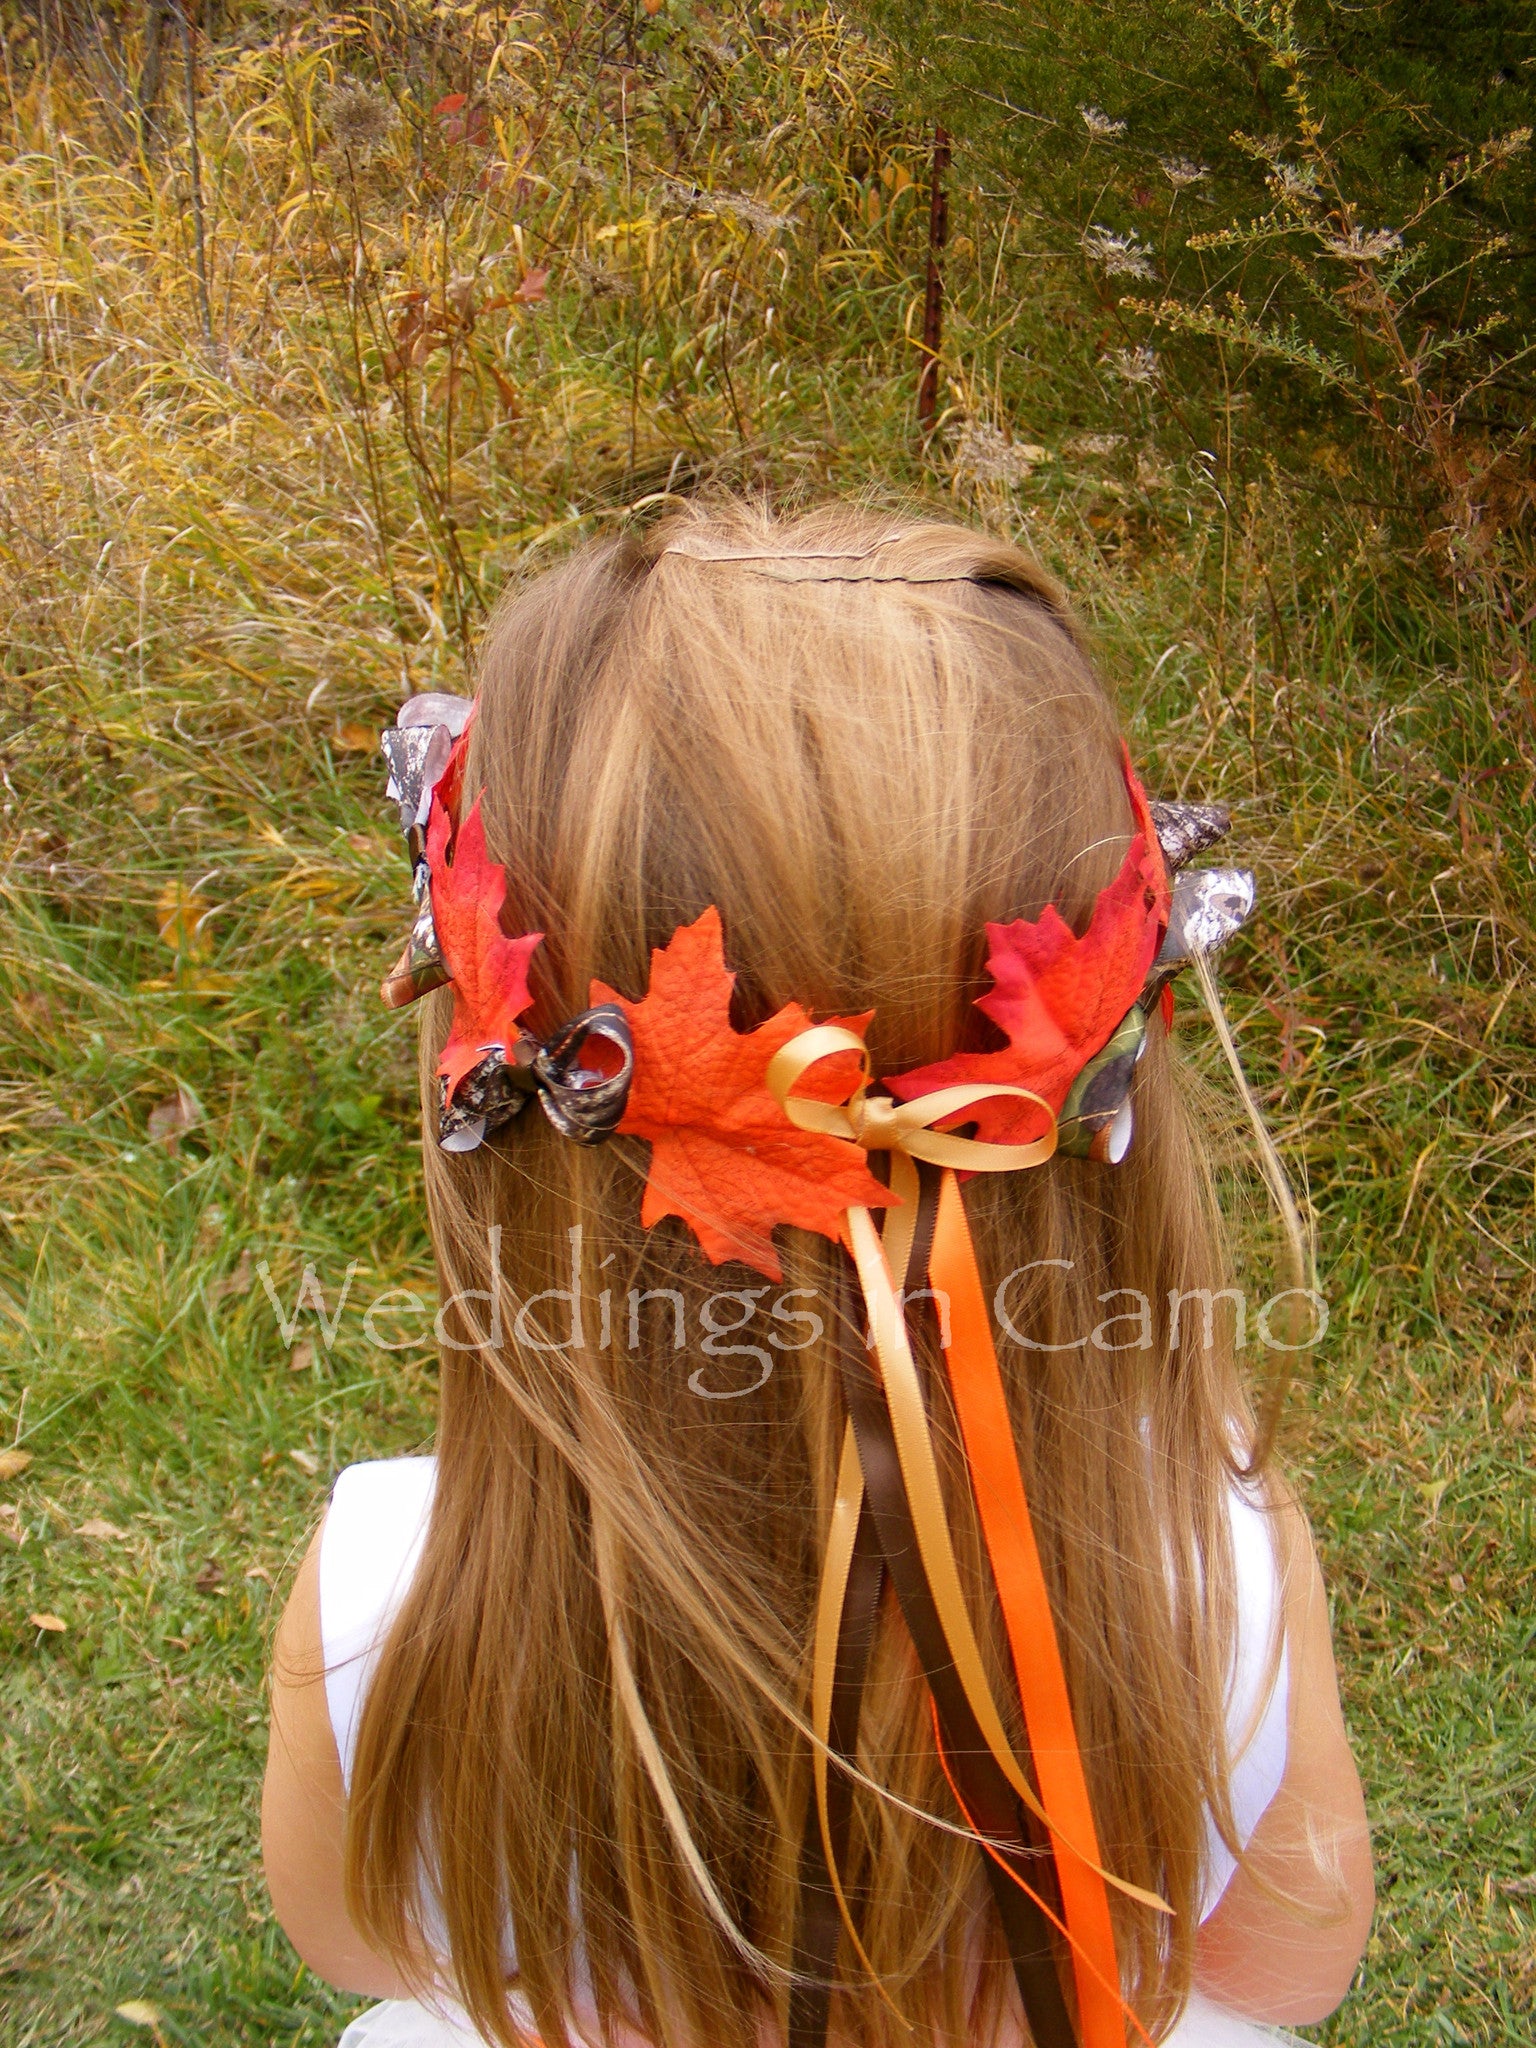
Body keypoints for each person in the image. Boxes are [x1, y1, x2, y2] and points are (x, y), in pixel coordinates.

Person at [262, 507, 1373, 2048]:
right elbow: (1288, 1970)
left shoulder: (382, 1591)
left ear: (502, 1097)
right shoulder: (1217, 1569)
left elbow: (355, 1937)